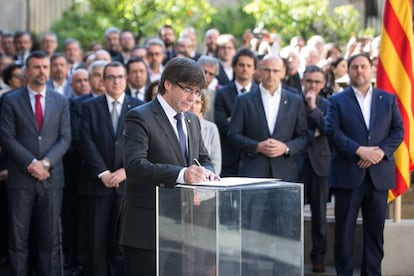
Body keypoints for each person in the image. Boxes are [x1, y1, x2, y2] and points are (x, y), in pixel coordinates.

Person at [117, 57, 219, 276]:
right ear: (168, 84)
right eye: (188, 90)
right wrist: (183, 175)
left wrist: (206, 177)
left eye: (198, 92)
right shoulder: (140, 116)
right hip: (147, 228)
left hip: (183, 226)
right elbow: (135, 166)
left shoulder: (191, 120)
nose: (193, 98)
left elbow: (204, 158)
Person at [227, 54, 308, 275]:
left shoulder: (295, 100)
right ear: (258, 71)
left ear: (283, 72)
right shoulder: (244, 100)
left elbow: (304, 136)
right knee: (251, 229)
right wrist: (257, 146)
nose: (271, 75)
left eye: (275, 70)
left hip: (285, 176)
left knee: (284, 231)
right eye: (267, 70)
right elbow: (233, 135)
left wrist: (286, 147)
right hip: (253, 174)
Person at [325, 53, 404, 276]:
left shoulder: (387, 99)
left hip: (378, 177)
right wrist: (358, 150)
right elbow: (332, 131)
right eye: (354, 67)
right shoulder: (336, 101)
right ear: (348, 71)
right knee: (344, 234)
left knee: (375, 234)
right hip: (348, 176)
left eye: (363, 67)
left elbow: (398, 131)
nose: (359, 71)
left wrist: (380, 152)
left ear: (372, 70)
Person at [0, 50, 71, 276]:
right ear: (26, 71)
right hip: (21, 180)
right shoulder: (10, 99)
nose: (42, 71)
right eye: (37, 67)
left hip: (51, 180)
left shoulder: (60, 100)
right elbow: (7, 137)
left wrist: (46, 163)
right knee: (18, 239)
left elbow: (65, 137)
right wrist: (31, 163)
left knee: (49, 240)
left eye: (45, 67)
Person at [78, 61, 143, 275]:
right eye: (111, 77)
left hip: (127, 186)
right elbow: (85, 141)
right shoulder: (89, 106)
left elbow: (143, 144)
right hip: (97, 184)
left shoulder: (139, 107)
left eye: (120, 77)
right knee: (96, 242)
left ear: (126, 80)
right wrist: (103, 172)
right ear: (103, 80)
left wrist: (126, 170)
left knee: (121, 243)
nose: (116, 81)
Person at [299, 65, 330, 273]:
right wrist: (314, 133)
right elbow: (297, 130)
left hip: (320, 165)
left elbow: (328, 129)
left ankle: (318, 257)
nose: (312, 85)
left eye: (317, 82)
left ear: (323, 84)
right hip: (298, 163)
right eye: (309, 81)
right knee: (291, 213)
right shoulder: (291, 101)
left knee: (319, 215)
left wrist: (313, 107)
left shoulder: (328, 104)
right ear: (303, 81)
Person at [214, 47, 258, 176]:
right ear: (234, 67)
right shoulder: (222, 93)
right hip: (229, 158)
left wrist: (234, 120)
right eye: (241, 65)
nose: (245, 69)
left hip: (254, 159)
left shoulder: (260, 94)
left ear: (254, 69)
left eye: (249, 66)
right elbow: (222, 124)